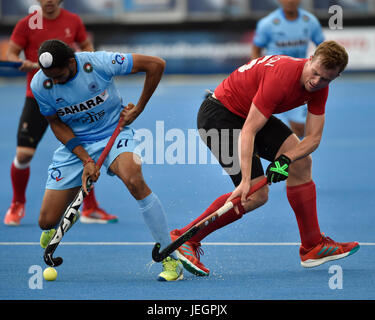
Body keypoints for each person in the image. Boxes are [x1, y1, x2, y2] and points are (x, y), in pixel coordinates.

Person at [171, 41, 359, 277]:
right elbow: (248, 130)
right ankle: (185, 239)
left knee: (301, 163)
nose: (316, 82)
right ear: (310, 59)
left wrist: (285, 160)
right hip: (220, 117)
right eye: (315, 74)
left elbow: (313, 139)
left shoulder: (321, 86)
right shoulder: (281, 78)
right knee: (255, 195)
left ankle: (313, 246)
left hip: (249, 113)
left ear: (336, 76)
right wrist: (246, 181)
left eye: (326, 79)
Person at [31, 39, 183, 281]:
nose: (55, 82)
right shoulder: (41, 83)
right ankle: (63, 215)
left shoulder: (98, 62)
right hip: (76, 143)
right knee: (46, 220)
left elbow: (156, 64)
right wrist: (85, 159)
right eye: (50, 77)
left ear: (71, 62)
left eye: (60, 76)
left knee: (134, 179)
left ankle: (169, 256)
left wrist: (138, 109)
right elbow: (56, 124)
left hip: (115, 131)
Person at [4, 0, 117, 226]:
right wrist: (21, 63)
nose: (48, 1)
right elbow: (11, 54)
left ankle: (90, 207)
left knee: (83, 150)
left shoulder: (73, 21)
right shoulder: (26, 24)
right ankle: (17, 204)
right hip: (37, 97)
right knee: (24, 154)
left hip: (70, 97)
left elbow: (88, 49)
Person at [251, 0, 325, 138]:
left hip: (298, 81)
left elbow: (322, 47)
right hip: (272, 80)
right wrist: (257, 74)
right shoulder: (268, 23)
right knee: (259, 125)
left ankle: (288, 158)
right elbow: (256, 49)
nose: (290, 1)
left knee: (299, 128)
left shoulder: (310, 21)